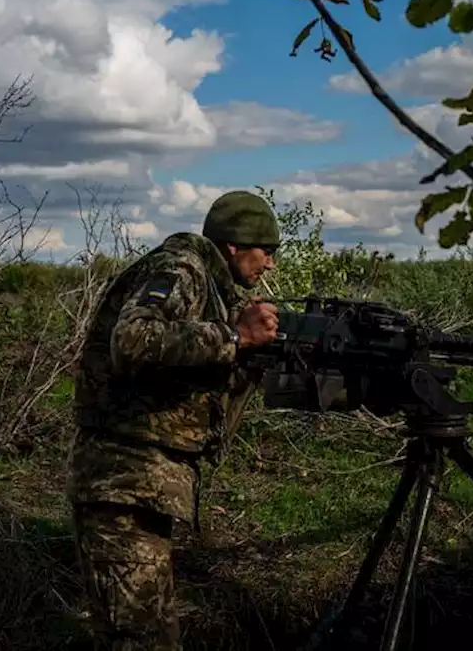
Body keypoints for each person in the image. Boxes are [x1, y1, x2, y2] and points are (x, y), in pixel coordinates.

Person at [66, 190, 282, 649]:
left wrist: (245, 354)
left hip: (141, 491)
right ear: (234, 246)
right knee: (137, 639)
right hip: (121, 483)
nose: (271, 264)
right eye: (267, 251)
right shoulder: (181, 268)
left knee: (156, 637)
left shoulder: (207, 284)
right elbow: (133, 338)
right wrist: (234, 336)